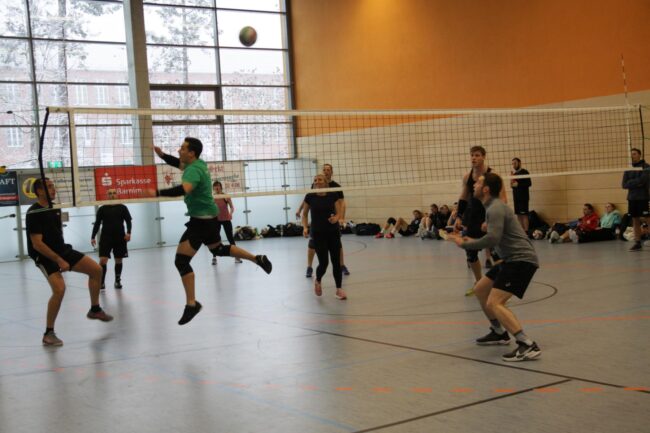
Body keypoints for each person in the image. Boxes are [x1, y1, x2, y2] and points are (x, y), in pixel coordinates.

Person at [153, 137, 272, 325]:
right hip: (210, 219)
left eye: (182, 148)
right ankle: (257, 259)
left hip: (200, 222)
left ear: (191, 153)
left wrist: (158, 193)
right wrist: (162, 156)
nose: (179, 150)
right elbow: (179, 163)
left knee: (181, 261)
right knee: (218, 249)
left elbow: (185, 188)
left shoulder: (193, 170)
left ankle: (191, 304)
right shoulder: (198, 164)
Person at [446, 172, 541, 362]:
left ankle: (527, 344)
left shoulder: (495, 208)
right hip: (510, 259)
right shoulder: (491, 208)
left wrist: (465, 244)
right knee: (480, 289)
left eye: (478, 183)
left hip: (521, 260)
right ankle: (499, 332)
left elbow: (493, 239)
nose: (474, 185)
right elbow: (494, 233)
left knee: (494, 302)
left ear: (486, 189)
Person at [26, 178, 113, 346]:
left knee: (96, 270)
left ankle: (95, 309)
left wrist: (64, 256)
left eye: (53, 186)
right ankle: (48, 333)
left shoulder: (55, 208)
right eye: (49, 187)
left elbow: (56, 235)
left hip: (61, 250)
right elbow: (37, 244)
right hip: (43, 255)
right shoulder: (33, 213)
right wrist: (59, 260)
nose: (54, 189)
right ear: (39, 191)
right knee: (59, 289)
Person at [455, 146, 507, 296]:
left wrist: (494, 217)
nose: (474, 158)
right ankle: (479, 284)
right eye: (472, 155)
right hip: (472, 217)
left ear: (484, 156)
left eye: (477, 155)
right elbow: (463, 197)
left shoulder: (493, 175)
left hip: (488, 214)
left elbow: (503, 198)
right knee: (470, 252)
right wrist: (459, 216)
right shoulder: (468, 176)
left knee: (496, 252)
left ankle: (499, 288)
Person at [296, 163, 350, 277]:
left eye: (328, 170)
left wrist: (341, 218)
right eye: (324, 170)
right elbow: (307, 200)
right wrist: (299, 210)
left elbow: (342, 204)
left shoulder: (336, 187)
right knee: (312, 245)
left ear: (331, 172)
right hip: (317, 222)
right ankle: (309, 267)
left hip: (331, 222)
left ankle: (342, 265)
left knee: (337, 245)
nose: (326, 171)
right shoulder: (315, 186)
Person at [301, 173, 346, 300]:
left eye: (319, 179)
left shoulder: (333, 195)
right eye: (315, 180)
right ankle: (318, 280)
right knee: (324, 263)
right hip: (318, 234)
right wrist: (305, 227)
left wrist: (336, 218)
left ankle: (339, 289)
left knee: (336, 262)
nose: (317, 182)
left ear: (325, 182)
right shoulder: (310, 196)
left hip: (333, 232)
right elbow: (304, 215)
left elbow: (339, 213)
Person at [91, 189, 132, 290]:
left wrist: (128, 232)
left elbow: (128, 221)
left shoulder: (123, 207)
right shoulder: (102, 209)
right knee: (103, 260)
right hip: (106, 237)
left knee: (118, 260)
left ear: (117, 195)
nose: (112, 195)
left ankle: (117, 281)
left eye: (114, 193)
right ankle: (101, 282)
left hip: (120, 237)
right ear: (107, 196)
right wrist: (92, 236)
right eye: (110, 193)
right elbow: (97, 224)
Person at [621, 148, 650, 251]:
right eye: (631, 154)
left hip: (643, 197)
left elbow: (643, 180)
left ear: (639, 155)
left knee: (647, 218)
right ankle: (637, 243)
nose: (632, 156)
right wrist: (636, 183)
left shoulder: (646, 167)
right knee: (635, 219)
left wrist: (632, 183)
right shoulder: (628, 168)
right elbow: (624, 184)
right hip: (632, 198)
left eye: (634, 154)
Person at [210, 180, 242, 265]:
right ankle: (214, 257)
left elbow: (232, 207)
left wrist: (230, 213)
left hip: (226, 219)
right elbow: (210, 208)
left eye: (218, 186)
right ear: (213, 188)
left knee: (230, 238)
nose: (216, 187)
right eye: (215, 186)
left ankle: (236, 256)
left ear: (221, 187)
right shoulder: (212, 197)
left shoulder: (225, 196)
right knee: (215, 239)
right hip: (216, 220)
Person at [510, 157, 532, 232]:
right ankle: (521, 232)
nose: (513, 165)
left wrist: (518, 184)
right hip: (516, 197)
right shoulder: (514, 174)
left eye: (515, 163)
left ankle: (526, 232)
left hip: (523, 198)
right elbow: (512, 185)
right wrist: (511, 181)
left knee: (524, 214)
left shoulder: (525, 172)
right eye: (512, 164)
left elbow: (529, 183)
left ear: (519, 163)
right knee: (518, 215)